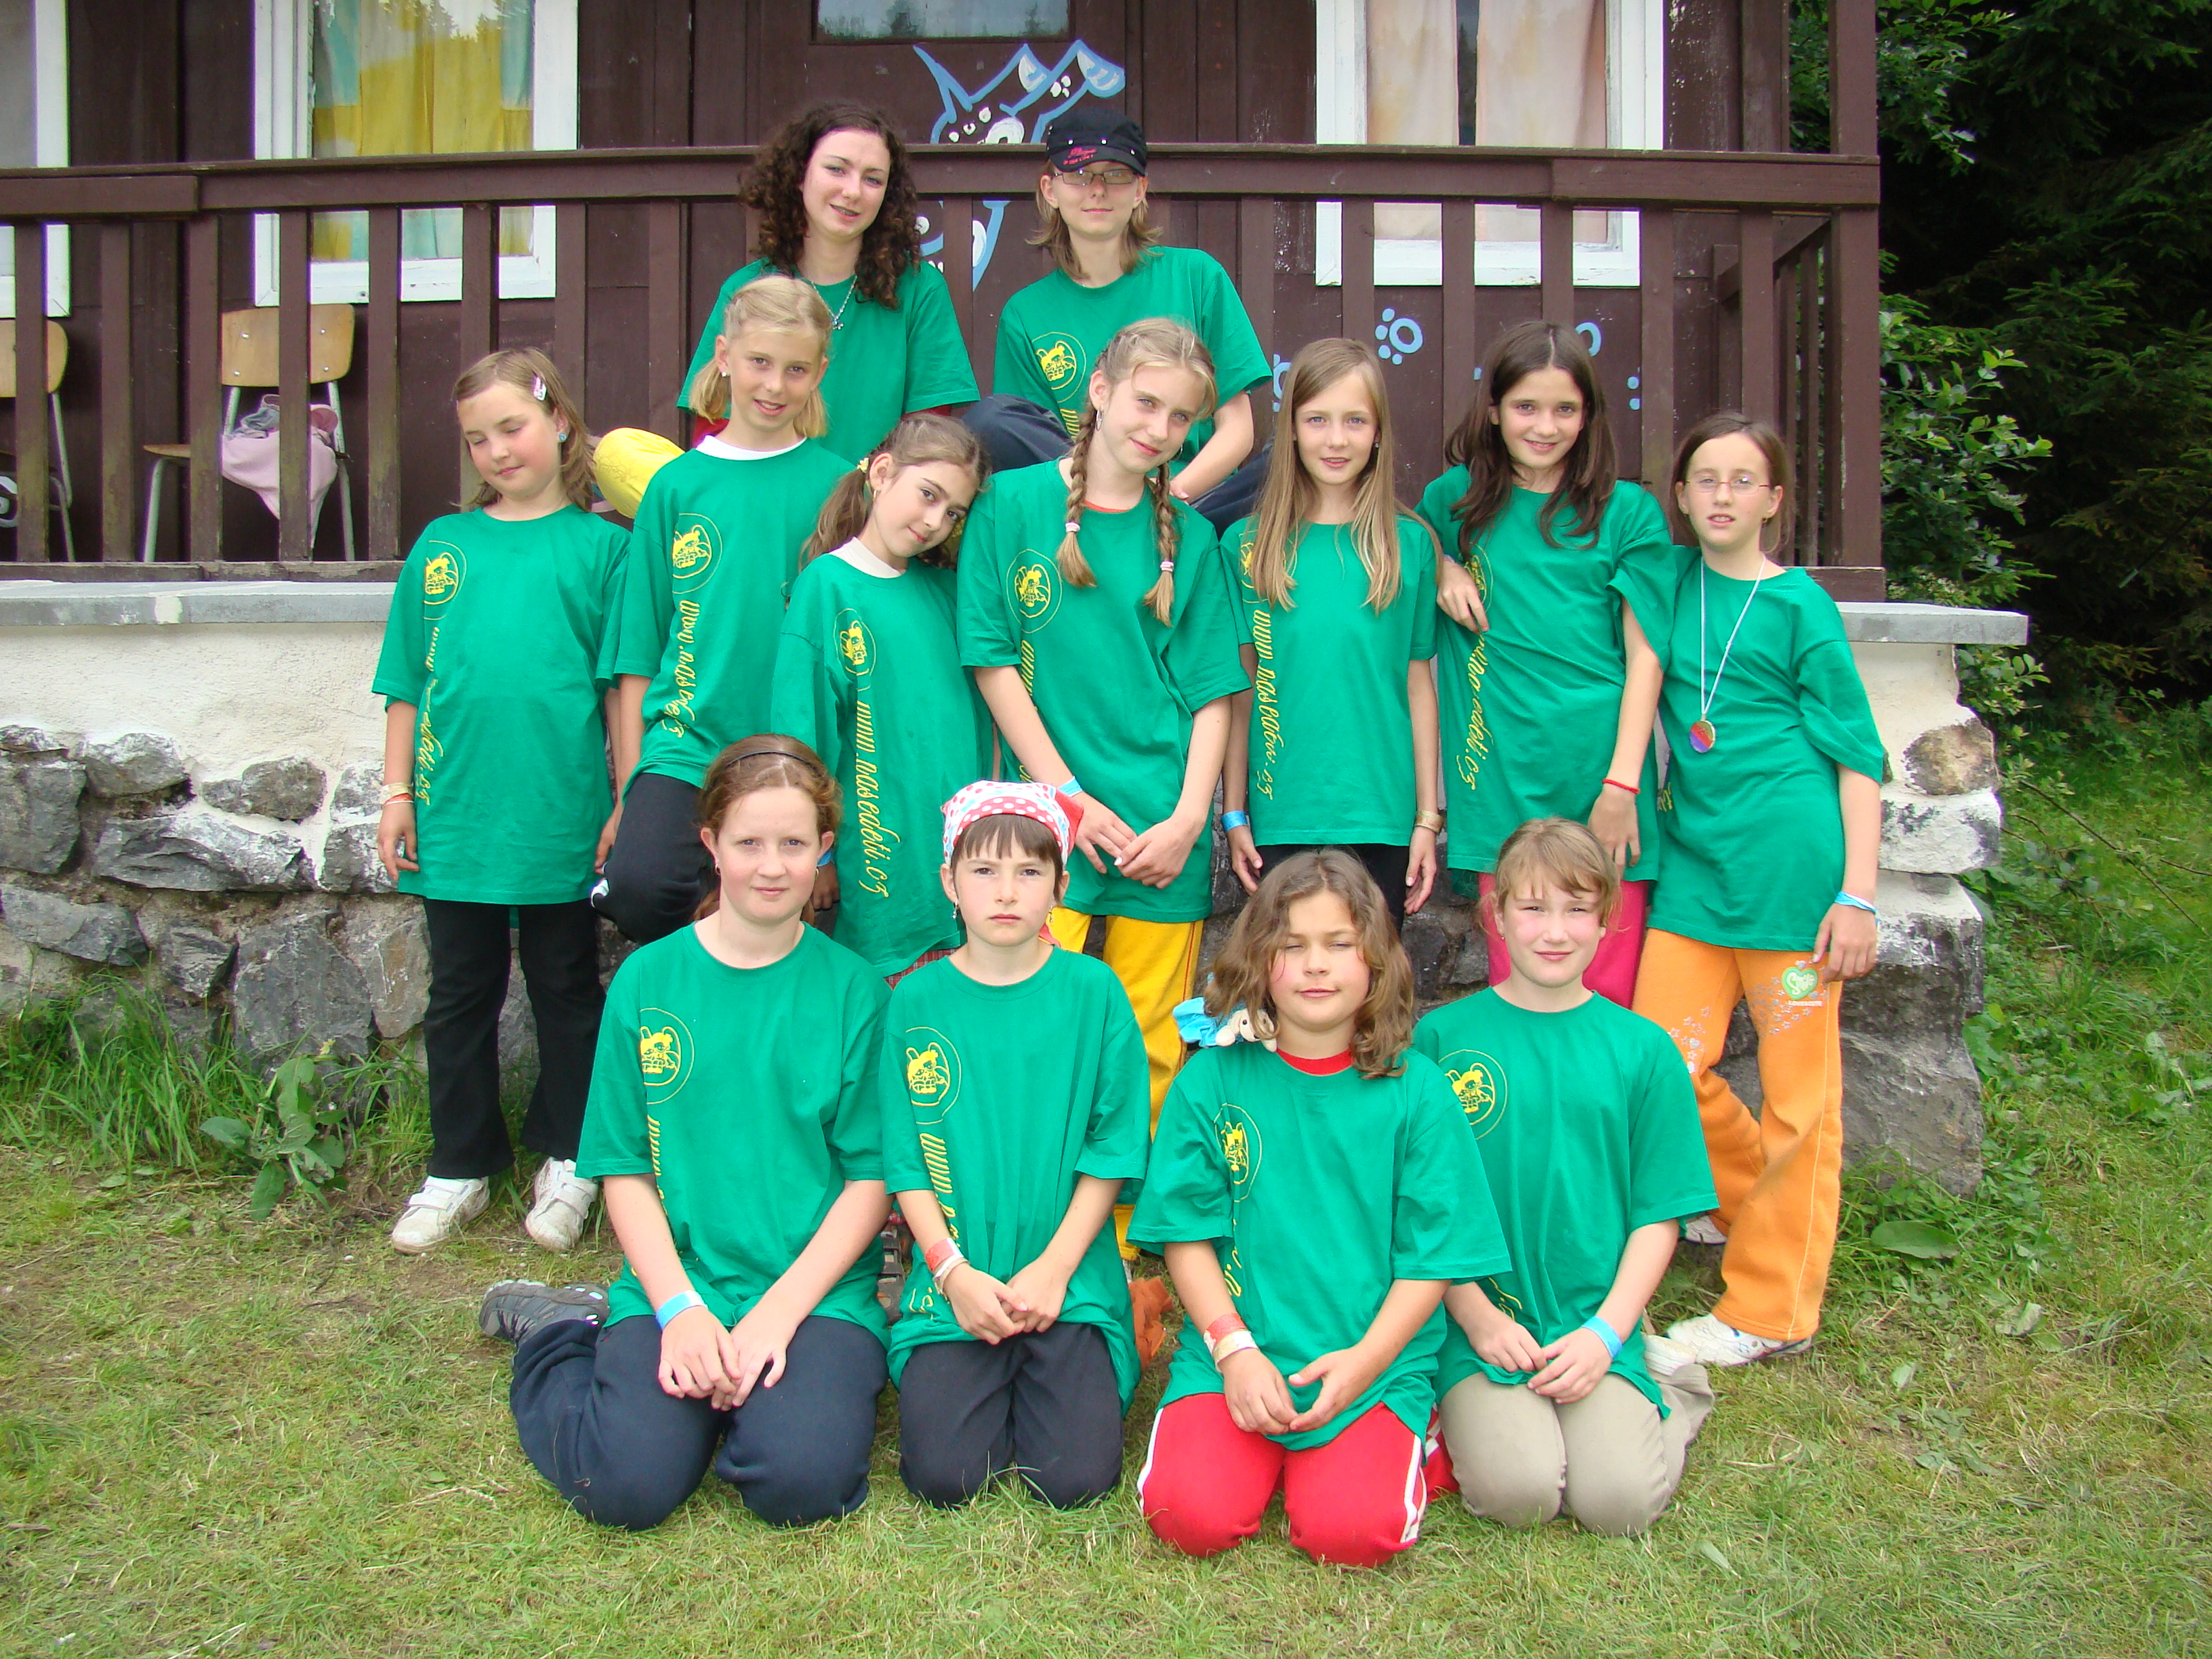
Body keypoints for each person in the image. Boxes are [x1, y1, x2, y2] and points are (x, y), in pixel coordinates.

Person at [479, 737, 893, 1531]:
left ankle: (746, 1406)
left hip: (812, 1294)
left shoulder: (856, 992)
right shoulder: (648, 982)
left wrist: (776, 1316)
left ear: (823, 848)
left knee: (800, 1484)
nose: (770, 866)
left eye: (793, 844)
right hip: (679, 1280)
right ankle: (563, 1330)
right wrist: (679, 1311)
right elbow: (626, 1169)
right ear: (710, 844)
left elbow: (870, 1179)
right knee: (626, 1486)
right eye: (748, 843)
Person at [957, 316, 1247, 1270]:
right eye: (1145, 402)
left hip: (1161, 826)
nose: (1159, 429)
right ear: (1099, 389)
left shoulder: (1190, 539)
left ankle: (1124, 1243)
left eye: (1181, 417)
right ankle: (1025, 1219)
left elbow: (1213, 692)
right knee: (1036, 1026)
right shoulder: (1010, 507)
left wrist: (1191, 819)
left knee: (1151, 1038)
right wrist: (1064, 799)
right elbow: (993, 661)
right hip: (1051, 827)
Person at [1131, 851, 1509, 1568]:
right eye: (1292, 945)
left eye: (1339, 944)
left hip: (1371, 1359)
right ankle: (1244, 1434)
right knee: (1188, 1517)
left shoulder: (1419, 1091)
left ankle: (1408, 1434)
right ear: (1258, 957)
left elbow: (1433, 1257)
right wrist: (1235, 1353)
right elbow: (1186, 1235)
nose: (1315, 966)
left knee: (1351, 1536)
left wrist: (1367, 1364)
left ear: (1377, 960)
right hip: (1240, 1351)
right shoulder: (1210, 1081)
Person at [1620, 412, 1885, 1368]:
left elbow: (1858, 758)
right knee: (1660, 1066)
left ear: (1774, 499)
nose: (1723, 495)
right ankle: (1745, 1202)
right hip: (1696, 871)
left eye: (1743, 480)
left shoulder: (1800, 606)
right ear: (1681, 496)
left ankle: (1772, 1310)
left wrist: (1858, 896)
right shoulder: (1667, 581)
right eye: (1706, 479)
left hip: (1792, 879)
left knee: (1800, 1101)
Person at [373, 348, 626, 1256]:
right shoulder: (444, 547)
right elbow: (407, 682)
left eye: (512, 427)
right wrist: (396, 792)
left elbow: (620, 688)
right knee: (458, 993)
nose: (497, 451)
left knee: (566, 988)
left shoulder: (602, 550)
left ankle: (571, 1159)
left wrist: (626, 798)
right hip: (458, 813)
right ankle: (459, 1166)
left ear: (559, 421)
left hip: (559, 813)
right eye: (478, 439)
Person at [1414, 818, 1719, 1535]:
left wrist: (1607, 1334)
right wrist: (1477, 1317)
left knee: (1618, 1505)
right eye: (1533, 908)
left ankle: (1670, 1389)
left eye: (1577, 909)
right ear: (1496, 916)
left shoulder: (1643, 1050)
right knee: (1520, 1495)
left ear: (1607, 919)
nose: (1555, 931)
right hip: (1482, 1319)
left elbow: (1659, 1213)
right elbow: (1419, 1206)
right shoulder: (1440, 1041)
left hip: (1594, 1315)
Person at [884, 783, 1151, 1509]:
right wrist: (951, 1274)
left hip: (1065, 1276)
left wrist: (1055, 1271)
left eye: (1030, 872)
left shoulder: (1094, 993)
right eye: (984, 871)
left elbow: (1113, 1146)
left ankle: (1127, 1313)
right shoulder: (916, 1001)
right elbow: (905, 1158)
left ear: (1061, 887)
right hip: (959, 1277)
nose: (1006, 892)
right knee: (946, 1478)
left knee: (1073, 1480)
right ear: (950, 883)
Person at [1416, 320, 1673, 1005]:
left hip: (1600, 776)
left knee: (1607, 993)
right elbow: (1396, 536)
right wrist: (1442, 564)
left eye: (1565, 409)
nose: (1545, 426)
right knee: (1521, 987)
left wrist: (1621, 787)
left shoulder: (1628, 513)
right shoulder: (1452, 502)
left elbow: (1647, 656)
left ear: (1588, 417)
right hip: (1501, 778)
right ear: (1494, 409)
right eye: (1526, 406)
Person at [595, 276, 851, 945]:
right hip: (688, 745)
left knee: (800, 914)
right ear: (724, 355)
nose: (774, 384)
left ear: (820, 372)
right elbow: (637, 651)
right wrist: (629, 794)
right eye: (759, 361)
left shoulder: (839, 485)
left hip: (795, 750)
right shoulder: (676, 485)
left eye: (795, 369)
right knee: (639, 890)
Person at [1221, 337, 1443, 926]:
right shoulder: (1247, 546)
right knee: (1291, 973)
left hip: (1382, 814)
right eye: (1317, 419)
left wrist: (1427, 818)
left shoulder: (1409, 546)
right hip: (1282, 813)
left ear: (1379, 432)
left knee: (1373, 976)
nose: (1336, 439)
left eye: (1355, 421)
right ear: (1292, 429)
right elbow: (1242, 690)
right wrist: (1235, 812)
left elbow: (1418, 685)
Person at [967, 112, 1271, 532]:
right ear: (1050, 189)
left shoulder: (1196, 276)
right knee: (992, 420)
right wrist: (1112, 496)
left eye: (1116, 174)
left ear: (1139, 190)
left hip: (1194, 502)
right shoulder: (1025, 312)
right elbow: (1030, 450)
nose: (1097, 189)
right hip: (1086, 502)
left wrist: (1169, 496)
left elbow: (1237, 430)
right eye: (1079, 174)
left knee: (1292, 459)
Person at [771, 413, 993, 981]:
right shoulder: (827, 586)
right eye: (928, 495)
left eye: (954, 513)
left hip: (955, 858)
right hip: (875, 866)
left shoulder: (949, 593)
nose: (935, 521)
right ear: (883, 472)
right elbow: (800, 735)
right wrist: (815, 855)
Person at [678, 102, 977, 461]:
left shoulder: (920, 288)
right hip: (770, 491)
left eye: (873, 179)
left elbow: (930, 434)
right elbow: (713, 429)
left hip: (880, 492)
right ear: (799, 174)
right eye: (837, 169)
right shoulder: (746, 289)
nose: (853, 191)